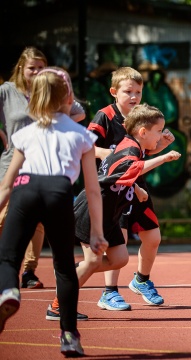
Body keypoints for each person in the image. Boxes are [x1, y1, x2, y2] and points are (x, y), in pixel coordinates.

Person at [0, 67, 107, 356]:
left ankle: (9, 290)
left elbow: (7, 185)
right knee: (64, 267)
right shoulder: (81, 135)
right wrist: (96, 232)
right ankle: (69, 336)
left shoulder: (25, 133)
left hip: (26, 189)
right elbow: (93, 190)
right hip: (59, 193)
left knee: (8, 257)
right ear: (69, 96)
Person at [45, 104, 181, 321]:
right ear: (143, 132)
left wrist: (136, 188)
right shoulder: (130, 150)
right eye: (158, 131)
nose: (161, 136)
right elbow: (133, 168)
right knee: (92, 262)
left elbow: (110, 173)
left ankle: (71, 272)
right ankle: (58, 305)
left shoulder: (130, 146)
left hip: (109, 215)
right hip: (92, 210)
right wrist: (164, 158)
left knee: (119, 258)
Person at [87, 67, 175, 311]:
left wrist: (161, 146)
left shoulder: (142, 117)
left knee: (153, 237)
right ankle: (109, 293)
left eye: (138, 91)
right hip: (115, 187)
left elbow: (144, 152)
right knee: (120, 240)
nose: (134, 96)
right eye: (128, 91)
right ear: (114, 92)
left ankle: (141, 280)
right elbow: (87, 146)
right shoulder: (104, 116)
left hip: (137, 185)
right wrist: (113, 155)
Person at [0, 47, 86, 290]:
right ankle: (6, 270)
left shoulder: (52, 91)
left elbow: (78, 111)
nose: (37, 71)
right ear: (21, 68)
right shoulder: (7, 91)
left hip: (42, 165)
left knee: (38, 224)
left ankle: (28, 272)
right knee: (5, 216)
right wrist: (4, 135)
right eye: (32, 68)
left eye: (41, 67)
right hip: (13, 161)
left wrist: (59, 122)